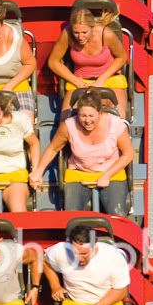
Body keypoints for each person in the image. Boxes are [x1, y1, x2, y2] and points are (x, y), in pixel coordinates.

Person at [29, 88, 132, 216]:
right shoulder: (69, 126)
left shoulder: (115, 124)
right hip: (79, 172)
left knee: (118, 215)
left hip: (110, 172)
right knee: (71, 216)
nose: (87, 120)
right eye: (83, 115)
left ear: (100, 112)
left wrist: (107, 175)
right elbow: (53, 148)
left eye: (91, 116)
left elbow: (128, 154)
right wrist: (38, 171)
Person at [44, 225, 132, 305]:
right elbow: (45, 261)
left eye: (84, 253)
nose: (80, 258)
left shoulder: (113, 257)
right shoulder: (60, 251)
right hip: (74, 303)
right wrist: (55, 286)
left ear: (94, 248)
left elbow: (121, 290)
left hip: (108, 304)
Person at [47, 4, 128, 116]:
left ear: (92, 27)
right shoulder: (67, 34)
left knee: (119, 115)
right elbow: (53, 61)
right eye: (76, 32)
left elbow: (122, 57)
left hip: (108, 79)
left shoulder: (106, 34)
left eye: (84, 32)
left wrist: (101, 80)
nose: (80, 37)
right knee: (65, 117)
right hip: (81, 81)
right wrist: (76, 81)